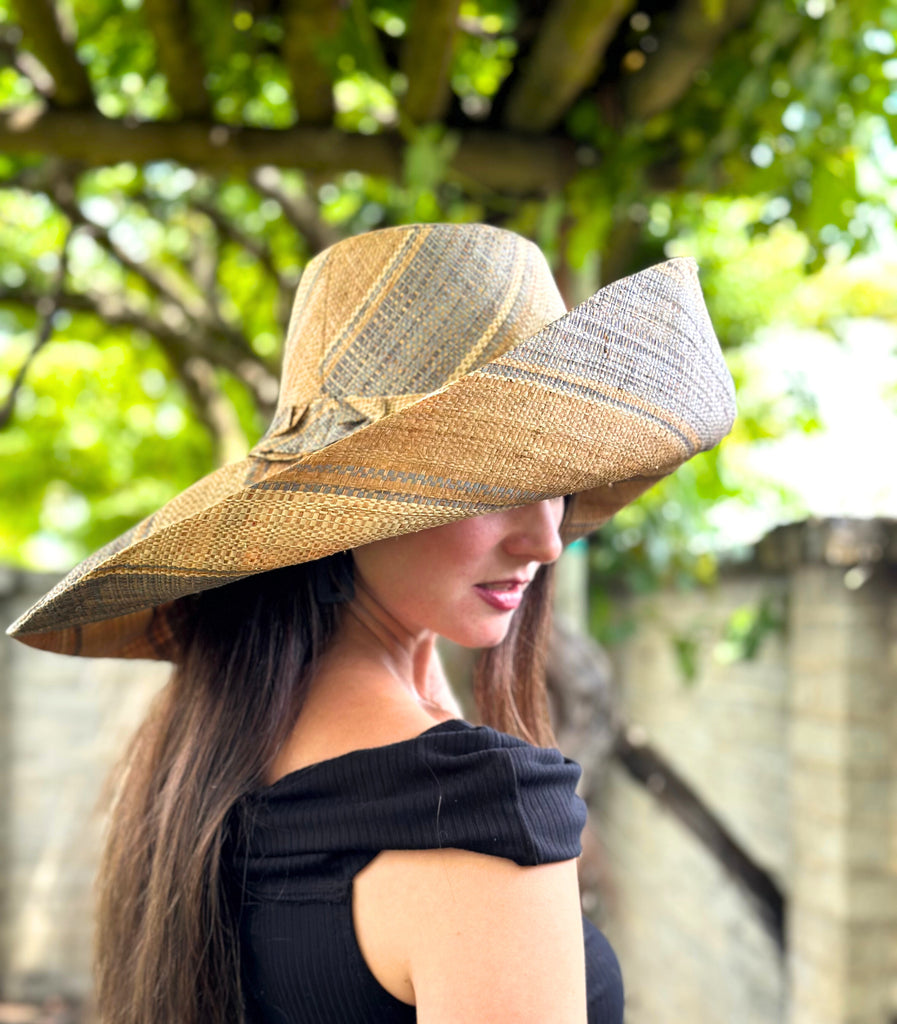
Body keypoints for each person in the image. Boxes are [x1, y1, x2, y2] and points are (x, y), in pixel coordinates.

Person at [8, 222, 735, 1024]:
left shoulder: (204, 753)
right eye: (495, 481)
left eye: (560, 482)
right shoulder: (477, 815)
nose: (546, 538)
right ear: (356, 506)